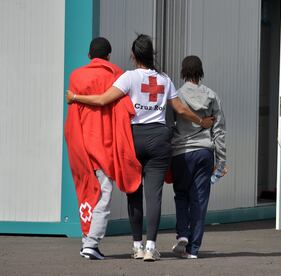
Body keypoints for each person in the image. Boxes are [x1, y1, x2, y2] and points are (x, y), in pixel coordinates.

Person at [66, 34, 214, 262]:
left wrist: (76, 97)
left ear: (133, 56)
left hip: (133, 139)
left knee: (133, 192)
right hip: (160, 139)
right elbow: (181, 110)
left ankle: (136, 245)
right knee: (153, 195)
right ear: (151, 54)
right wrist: (201, 121)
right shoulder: (164, 79)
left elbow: (103, 100)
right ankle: (150, 247)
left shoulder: (128, 77)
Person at [64, 37, 141, 260]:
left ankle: (86, 238)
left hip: (82, 143)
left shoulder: (76, 76)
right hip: (105, 145)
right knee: (103, 194)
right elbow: (127, 109)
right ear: (108, 56)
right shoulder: (117, 74)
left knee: (87, 191)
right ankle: (91, 243)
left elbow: (73, 112)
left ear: (89, 55)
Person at [170, 56, 227, 259]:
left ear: (183, 72)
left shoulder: (176, 96)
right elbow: (219, 131)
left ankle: (182, 235)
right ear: (200, 72)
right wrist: (221, 160)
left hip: (181, 153)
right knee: (199, 200)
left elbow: (169, 125)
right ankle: (193, 249)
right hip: (204, 152)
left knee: (182, 195)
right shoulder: (212, 96)